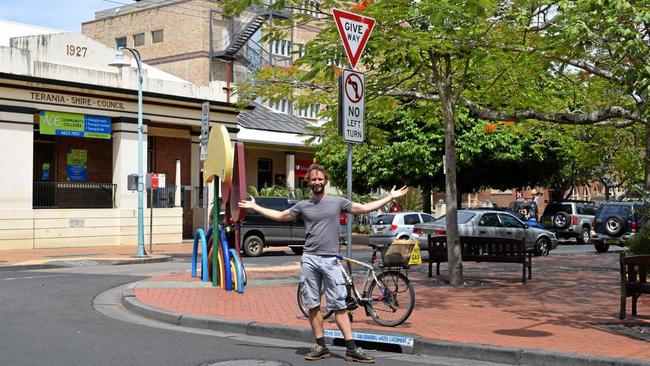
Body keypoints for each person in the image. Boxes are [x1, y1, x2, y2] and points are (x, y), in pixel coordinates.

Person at [239, 164, 408, 363]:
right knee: (313, 304)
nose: (317, 182)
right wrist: (255, 206)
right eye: (313, 179)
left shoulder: (337, 202)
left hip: (330, 260)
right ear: (308, 182)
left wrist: (389, 198)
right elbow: (280, 216)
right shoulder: (303, 205)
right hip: (309, 258)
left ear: (325, 181)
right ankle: (321, 345)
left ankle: (351, 348)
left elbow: (362, 208)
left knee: (339, 305)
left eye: (320, 179)